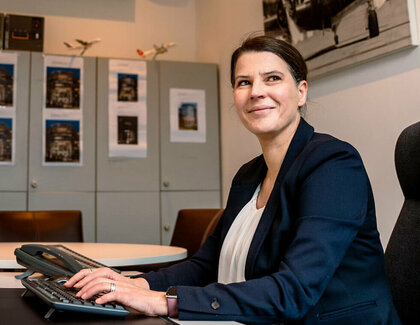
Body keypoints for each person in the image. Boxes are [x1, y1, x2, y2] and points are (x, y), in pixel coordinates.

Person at [65, 35, 401, 324]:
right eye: (244, 82)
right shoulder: (249, 174)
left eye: (272, 78)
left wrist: (163, 301)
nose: (256, 92)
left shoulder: (333, 164)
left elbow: (294, 291)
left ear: (301, 92)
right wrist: (136, 284)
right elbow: (206, 265)